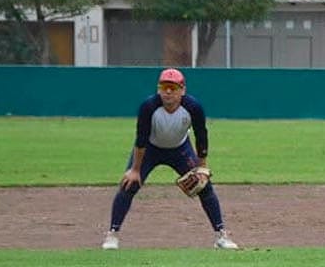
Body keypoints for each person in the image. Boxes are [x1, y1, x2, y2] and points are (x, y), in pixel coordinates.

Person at [101, 68, 239, 251]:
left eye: (173, 88)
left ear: (182, 90)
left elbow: (201, 136)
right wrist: (135, 170)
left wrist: (202, 167)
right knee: (129, 184)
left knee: (205, 187)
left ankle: (221, 236)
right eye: (164, 87)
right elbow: (141, 138)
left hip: (180, 150)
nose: (168, 92)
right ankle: (112, 234)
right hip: (150, 149)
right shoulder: (149, 107)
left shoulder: (193, 107)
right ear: (158, 89)